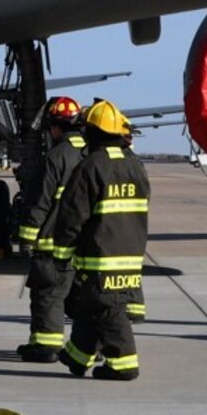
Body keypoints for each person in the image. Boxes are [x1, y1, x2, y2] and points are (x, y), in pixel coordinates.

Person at [45, 99, 149, 380]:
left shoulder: (92, 166)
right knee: (90, 304)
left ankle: (123, 364)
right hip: (129, 252)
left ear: (92, 132)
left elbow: (72, 215)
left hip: (100, 254)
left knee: (107, 307)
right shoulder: (135, 166)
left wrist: (61, 252)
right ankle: (77, 357)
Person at [14, 95, 87, 362]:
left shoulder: (56, 157)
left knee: (48, 295)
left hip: (54, 243)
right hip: (88, 244)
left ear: (55, 126)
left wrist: (26, 240)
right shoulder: (93, 154)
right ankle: (92, 346)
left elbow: (39, 202)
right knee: (85, 297)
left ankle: (46, 346)